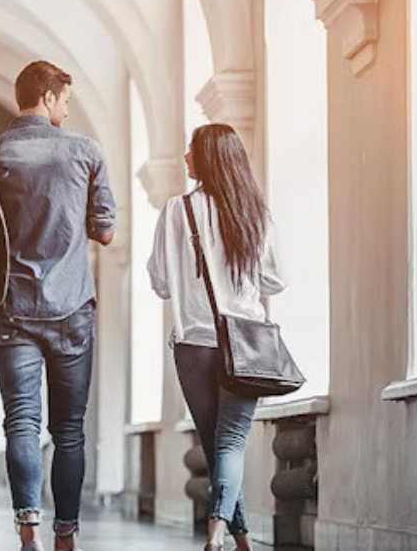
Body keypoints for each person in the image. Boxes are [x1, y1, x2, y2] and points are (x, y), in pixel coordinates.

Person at [0, 61, 117, 551]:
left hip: (12, 309)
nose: (67, 110)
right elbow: (105, 230)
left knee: (21, 422)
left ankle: (27, 529)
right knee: (69, 429)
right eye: (65, 100)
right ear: (47, 98)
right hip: (72, 309)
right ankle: (65, 534)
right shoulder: (87, 152)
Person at [147, 123, 286, 551]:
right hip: (245, 343)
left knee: (215, 443)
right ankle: (229, 532)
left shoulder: (176, 211)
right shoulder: (255, 213)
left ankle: (224, 534)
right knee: (229, 444)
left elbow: (161, 282)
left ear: (207, 159)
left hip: (194, 343)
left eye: (191, 151)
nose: (186, 158)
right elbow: (274, 280)